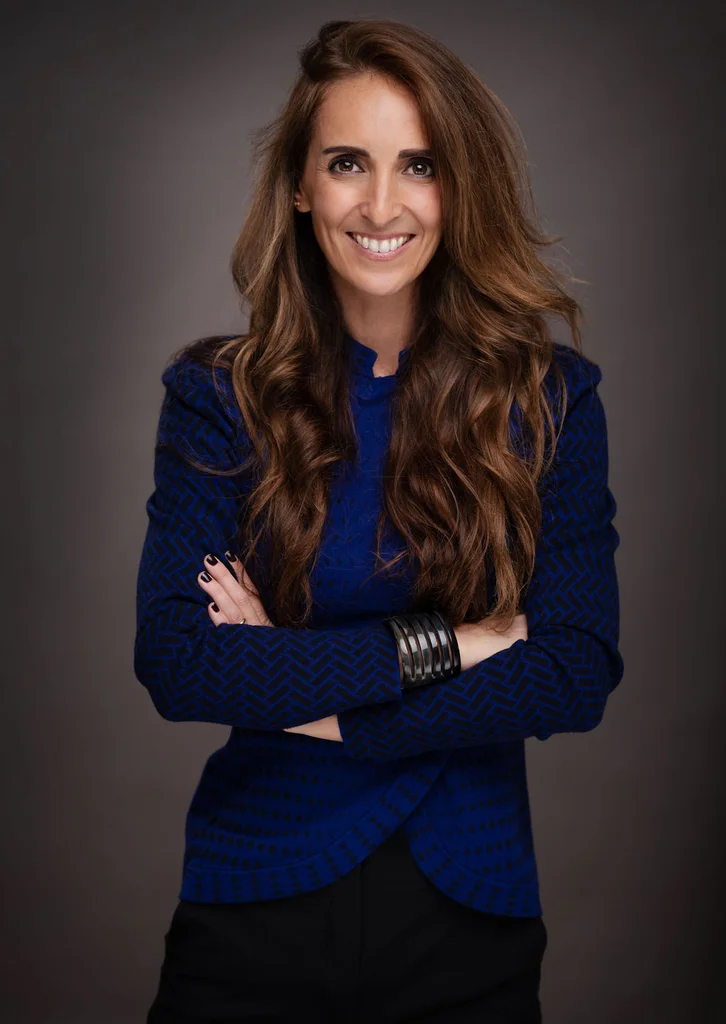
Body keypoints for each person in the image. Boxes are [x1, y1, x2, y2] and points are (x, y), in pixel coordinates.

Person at [135, 17, 624, 1024]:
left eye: (422, 165)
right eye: (349, 162)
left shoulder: (554, 401)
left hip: (469, 899)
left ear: (460, 187)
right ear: (303, 186)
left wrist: (301, 686)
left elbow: (575, 669)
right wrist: (468, 640)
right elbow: (181, 663)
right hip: (255, 887)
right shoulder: (216, 398)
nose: (383, 203)